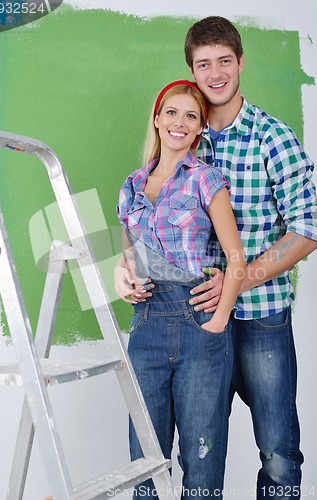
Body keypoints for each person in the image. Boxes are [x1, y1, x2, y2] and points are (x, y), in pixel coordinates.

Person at [182, 16, 317, 500]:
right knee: (199, 450)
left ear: (240, 62)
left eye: (224, 61)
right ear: (192, 71)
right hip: (194, 317)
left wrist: (238, 281)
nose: (215, 73)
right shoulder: (184, 138)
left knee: (279, 450)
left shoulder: (271, 137)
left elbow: (310, 227)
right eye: (204, 64)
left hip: (262, 319)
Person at [115, 80, 246, 499]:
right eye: (171, 112)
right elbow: (127, 259)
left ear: (199, 129)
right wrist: (124, 279)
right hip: (147, 322)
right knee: (146, 461)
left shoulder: (207, 179)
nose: (179, 122)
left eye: (191, 116)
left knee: (201, 459)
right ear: (157, 119)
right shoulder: (131, 186)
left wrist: (218, 321)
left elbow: (236, 259)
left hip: (199, 323)